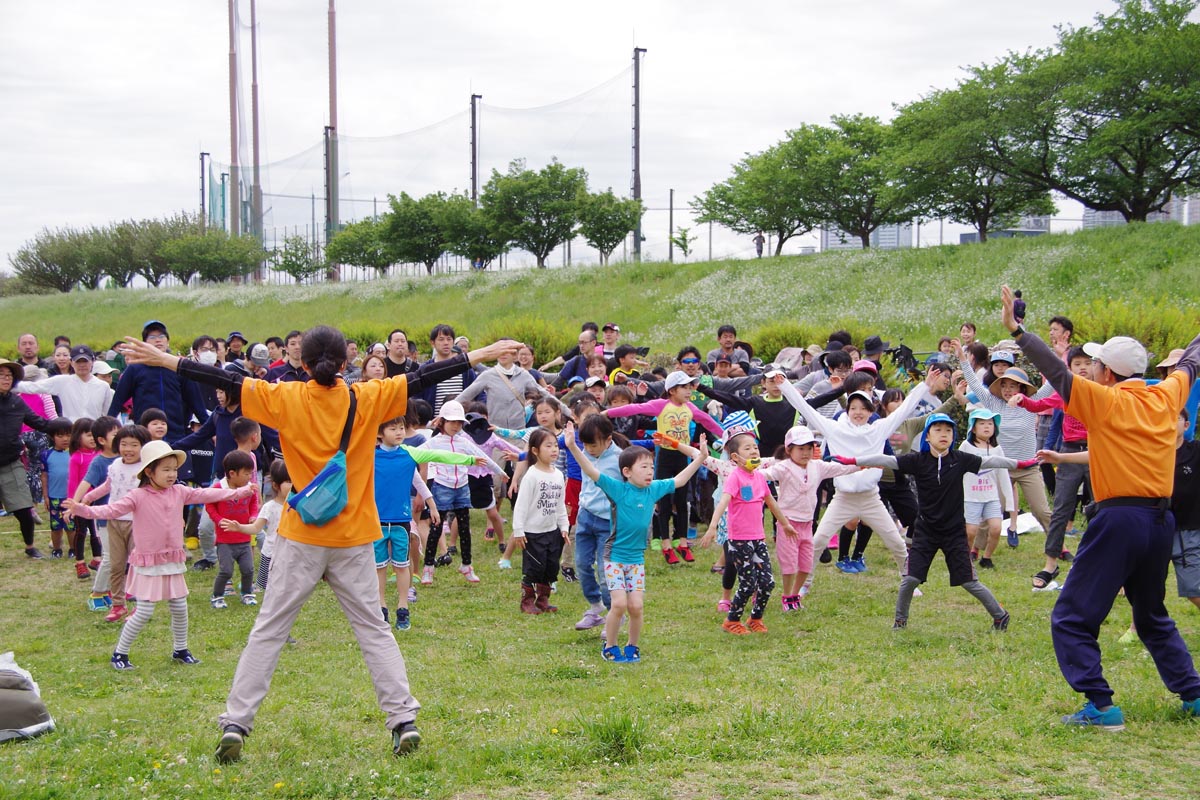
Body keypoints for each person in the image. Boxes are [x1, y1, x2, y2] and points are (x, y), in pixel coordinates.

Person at [117, 325, 521, 760]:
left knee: (269, 630)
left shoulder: (285, 397)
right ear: (345, 364)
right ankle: (403, 720)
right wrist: (480, 351)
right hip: (354, 536)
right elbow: (425, 376)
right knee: (374, 630)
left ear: (303, 364)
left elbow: (227, 381)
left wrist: (163, 360)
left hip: (302, 534)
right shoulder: (367, 396)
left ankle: (236, 723)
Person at [1000, 284, 1200, 729]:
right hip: (1159, 520)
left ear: (1108, 373)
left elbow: (1055, 372)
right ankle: (1194, 693)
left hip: (1119, 519)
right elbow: (1190, 360)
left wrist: (1018, 332)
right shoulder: (1167, 395)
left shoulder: (1103, 401)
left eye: (1095, 364)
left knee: (1071, 615)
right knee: (1150, 614)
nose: (1088, 370)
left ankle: (1101, 704)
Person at [66, 440, 255, 670]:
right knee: (144, 610)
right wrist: (83, 509)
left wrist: (240, 491)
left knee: (179, 606)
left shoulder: (180, 491)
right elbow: (110, 509)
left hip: (172, 560)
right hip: (149, 561)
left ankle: (181, 649)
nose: (172, 475)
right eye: (165, 469)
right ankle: (120, 654)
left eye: (174, 469)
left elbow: (207, 494)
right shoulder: (137, 496)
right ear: (149, 471)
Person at [841, 413, 1032, 630]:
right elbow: (886, 460)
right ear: (928, 437)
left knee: (969, 581)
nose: (944, 434)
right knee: (910, 579)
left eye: (948, 430)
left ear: (954, 436)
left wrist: (1022, 463)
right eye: (938, 430)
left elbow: (992, 461)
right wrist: (853, 461)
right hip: (925, 532)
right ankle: (900, 622)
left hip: (954, 533)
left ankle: (1000, 616)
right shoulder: (918, 461)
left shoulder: (960, 459)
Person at [778, 370, 948, 595]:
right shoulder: (835, 428)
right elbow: (806, 408)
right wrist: (785, 387)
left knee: (897, 543)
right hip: (843, 498)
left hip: (870, 498)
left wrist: (925, 386)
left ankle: (908, 582)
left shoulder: (879, 429)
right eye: (853, 408)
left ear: (870, 411)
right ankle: (805, 583)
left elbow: (904, 409)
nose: (858, 413)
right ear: (847, 410)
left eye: (863, 408)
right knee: (817, 541)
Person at [563, 423, 706, 663]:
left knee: (636, 607)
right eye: (644, 467)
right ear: (627, 472)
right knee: (618, 604)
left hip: (636, 560)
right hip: (614, 557)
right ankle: (610, 646)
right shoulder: (617, 489)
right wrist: (572, 447)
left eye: (651, 466)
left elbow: (680, 480)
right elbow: (590, 470)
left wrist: (700, 457)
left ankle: (632, 646)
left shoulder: (653, 490)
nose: (650, 472)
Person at [605, 371, 725, 564]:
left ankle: (683, 543)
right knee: (664, 503)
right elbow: (635, 408)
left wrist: (727, 437)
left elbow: (707, 420)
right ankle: (666, 544)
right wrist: (608, 413)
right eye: (684, 387)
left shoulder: (690, 408)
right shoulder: (662, 405)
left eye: (689, 387)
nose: (688, 391)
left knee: (683, 500)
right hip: (664, 456)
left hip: (683, 457)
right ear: (672, 390)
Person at [373, 413, 480, 629]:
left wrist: (468, 460)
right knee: (379, 567)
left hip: (402, 520)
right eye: (393, 429)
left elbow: (439, 456)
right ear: (379, 433)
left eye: (401, 428)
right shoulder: (370, 456)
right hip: (377, 522)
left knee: (402, 566)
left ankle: (403, 607)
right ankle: (381, 607)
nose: (399, 432)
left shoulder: (408, 453)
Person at [1010, 345, 1093, 588]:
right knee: (1060, 509)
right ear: (1070, 368)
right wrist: (1022, 399)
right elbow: (1040, 405)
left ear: (1096, 366)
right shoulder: (1066, 391)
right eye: (1077, 364)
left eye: (1087, 363)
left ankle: (1109, 565)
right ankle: (1050, 564)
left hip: (1097, 451)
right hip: (1068, 451)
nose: (1083, 368)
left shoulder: (1101, 391)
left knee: (1104, 508)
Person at [699, 429, 797, 634]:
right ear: (735, 457)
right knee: (748, 582)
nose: (754, 451)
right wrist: (712, 526)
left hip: (758, 539)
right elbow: (724, 501)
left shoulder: (759, 478)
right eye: (747, 448)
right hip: (739, 541)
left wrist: (785, 524)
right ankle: (732, 621)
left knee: (767, 582)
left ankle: (755, 618)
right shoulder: (735, 477)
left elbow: (771, 502)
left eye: (755, 447)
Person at [759, 426, 859, 611]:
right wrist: (745, 471)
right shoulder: (783, 467)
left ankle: (795, 595)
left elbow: (841, 468)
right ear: (789, 450)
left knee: (806, 565)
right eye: (800, 448)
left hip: (807, 524)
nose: (805, 453)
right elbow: (764, 475)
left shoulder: (818, 466)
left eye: (809, 448)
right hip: (787, 523)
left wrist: (863, 463)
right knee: (789, 565)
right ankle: (787, 597)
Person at [81, 424, 149, 622]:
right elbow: (107, 487)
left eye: (134, 445)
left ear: (143, 447)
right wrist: (88, 498)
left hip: (138, 523)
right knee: (117, 565)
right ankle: (118, 605)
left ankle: (140, 606)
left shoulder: (146, 468)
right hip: (114, 521)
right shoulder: (115, 465)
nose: (128, 449)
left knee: (138, 566)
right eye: (124, 444)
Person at [108, 321, 209, 444]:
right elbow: (118, 401)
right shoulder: (135, 368)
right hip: (144, 437)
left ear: (168, 341)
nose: (158, 340)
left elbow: (197, 404)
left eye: (161, 337)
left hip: (176, 435)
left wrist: (213, 431)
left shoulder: (179, 367)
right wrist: (108, 430)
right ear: (144, 343)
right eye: (152, 337)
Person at [0, 358, 55, 558]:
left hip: (11, 462)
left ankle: (30, 546)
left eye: (9, 376)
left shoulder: (17, 402)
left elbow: (40, 422)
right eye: (1, 375)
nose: (6, 379)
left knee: (24, 509)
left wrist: (64, 429)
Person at [511, 428, 570, 614]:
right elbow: (521, 505)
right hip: (533, 532)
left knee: (550, 567)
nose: (554, 449)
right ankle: (527, 600)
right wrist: (519, 530)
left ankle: (543, 599)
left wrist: (564, 526)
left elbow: (560, 503)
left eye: (555, 445)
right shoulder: (531, 475)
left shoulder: (558, 475)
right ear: (535, 451)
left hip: (552, 530)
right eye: (548, 446)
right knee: (534, 567)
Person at [958, 409, 1014, 569]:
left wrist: (1010, 504)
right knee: (970, 532)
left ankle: (987, 557)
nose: (986, 427)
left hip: (991, 497)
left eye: (990, 423)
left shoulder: (997, 449)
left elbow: (1003, 475)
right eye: (982, 423)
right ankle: (965, 559)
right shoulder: (966, 446)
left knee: (996, 528)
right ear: (973, 428)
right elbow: (957, 470)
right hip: (971, 498)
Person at [207, 450, 261, 609]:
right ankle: (217, 596)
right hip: (225, 540)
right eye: (246, 474)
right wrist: (218, 520)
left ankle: (247, 592)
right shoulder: (218, 488)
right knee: (226, 571)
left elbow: (253, 503)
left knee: (248, 569)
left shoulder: (249, 489)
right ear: (232, 473)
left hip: (244, 538)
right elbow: (209, 505)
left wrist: (253, 515)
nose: (249, 478)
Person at [14, 345, 114, 421]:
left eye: (85, 361)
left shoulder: (103, 386)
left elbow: (108, 416)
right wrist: (8, 384)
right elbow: (33, 387)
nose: (82, 365)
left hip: (94, 436)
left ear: (92, 361)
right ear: (71, 362)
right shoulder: (62, 381)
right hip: (71, 434)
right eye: (78, 361)